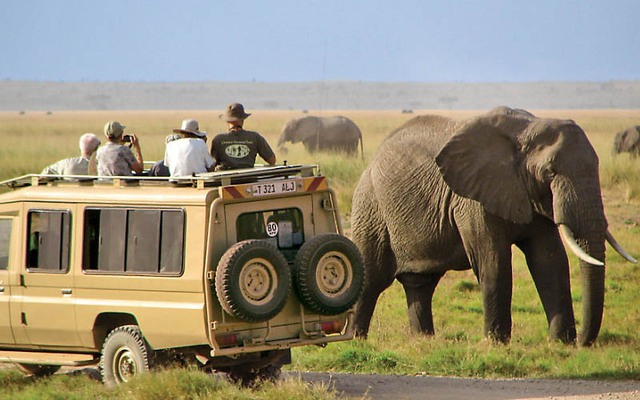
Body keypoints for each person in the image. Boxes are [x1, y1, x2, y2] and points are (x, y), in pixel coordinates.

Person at [210, 103, 276, 170]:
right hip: (249, 178)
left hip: (227, 179)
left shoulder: (218, 140)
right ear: (243, 120)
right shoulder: (255, 137)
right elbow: (272, 160)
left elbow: (212, 164)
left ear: (227, 121)